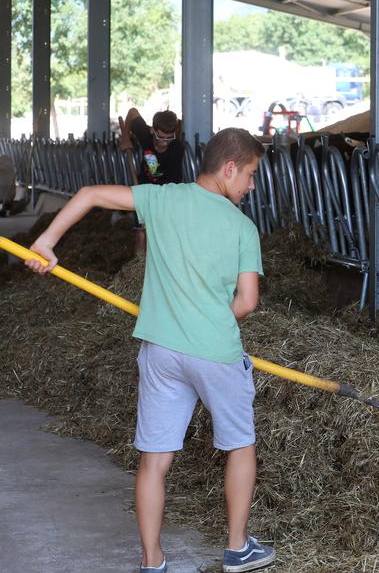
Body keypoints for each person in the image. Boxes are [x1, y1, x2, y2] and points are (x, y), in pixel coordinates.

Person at [26, 128, 276, 573]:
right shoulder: (242, 227)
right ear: (231, 167)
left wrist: (46, 242)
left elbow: (88, 194)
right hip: (216, 352)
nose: (252, 187)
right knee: (239, 446)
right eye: (251, 175)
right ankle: (238, 548)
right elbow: (249, 302)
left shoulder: (163, 199)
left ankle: (152, 561)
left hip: (160, 350)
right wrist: (210, 321)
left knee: (155, 460)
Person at [119, 108, 185, 255]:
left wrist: (154, 213)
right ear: (152, 130)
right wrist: (125, 137)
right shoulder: (145, 135)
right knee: (140, 234)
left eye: (169, 138)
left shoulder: (176, 149)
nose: (165, 143)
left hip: (164, 195)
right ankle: (138, 269)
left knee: (156, 235)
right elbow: (132, 112)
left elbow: (171, 186)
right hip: (142, 191)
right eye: (160, 137)